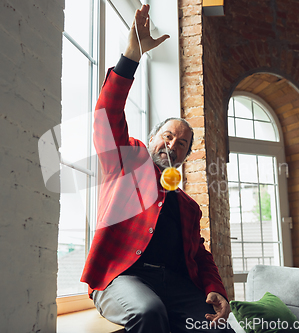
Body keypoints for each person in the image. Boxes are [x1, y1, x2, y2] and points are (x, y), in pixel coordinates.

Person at [80, 4, 234, 333]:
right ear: (151, 139)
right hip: (122, 278)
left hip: (177, 285)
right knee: (148, 313)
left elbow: (201, 254)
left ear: (184, 156)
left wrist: (216, 288)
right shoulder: (128, 162)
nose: (172, 145)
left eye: (181, 144)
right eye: (168, 136)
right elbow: (107, 116)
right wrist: (132, 55)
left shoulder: (188, 207)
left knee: (217, 328)